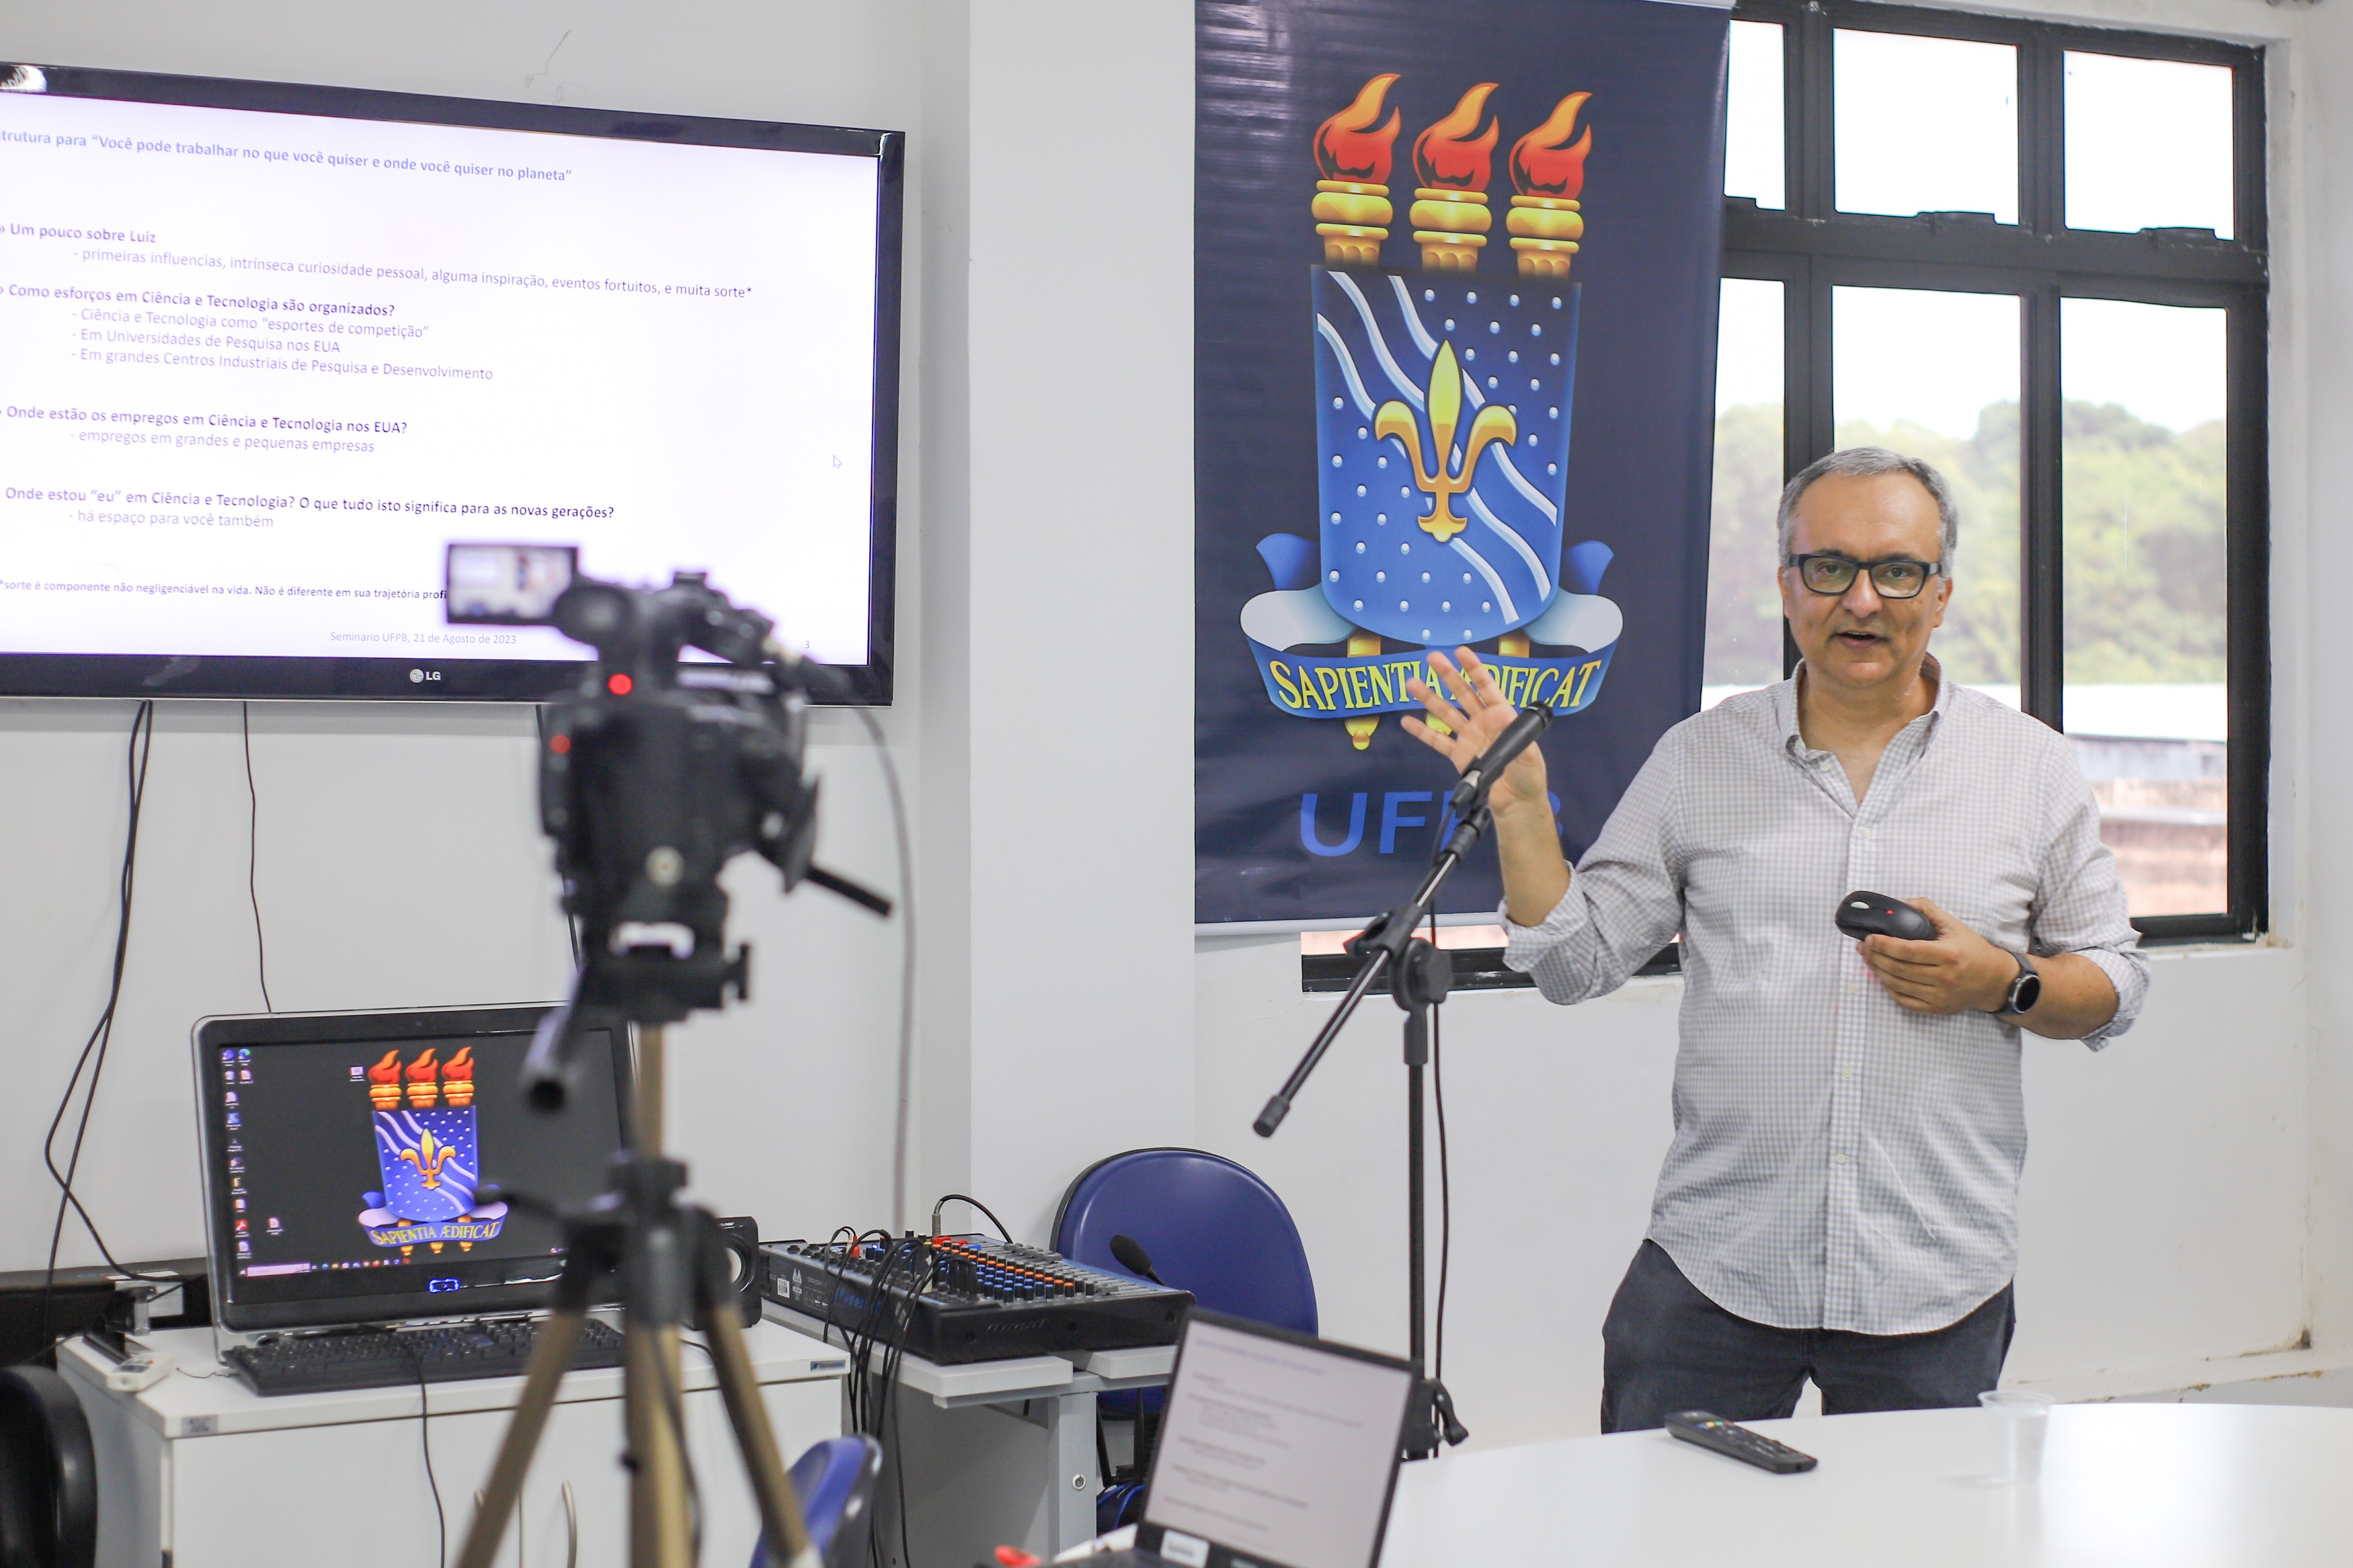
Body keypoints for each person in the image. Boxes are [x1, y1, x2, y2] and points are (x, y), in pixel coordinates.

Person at [1403, 447, 2147, 1432]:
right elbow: (1577, 964)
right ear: (1788, 585)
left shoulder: (2032, 768)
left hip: (1933, 1277)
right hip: (1716, 1269)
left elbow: (2116, 981)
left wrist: (2003, 982)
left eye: (1898, 570)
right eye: (1830, 568)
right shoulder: (1701, 757)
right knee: (1668, 1534)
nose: (1864, 600)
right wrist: (1524, 810)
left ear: (1942, 591)